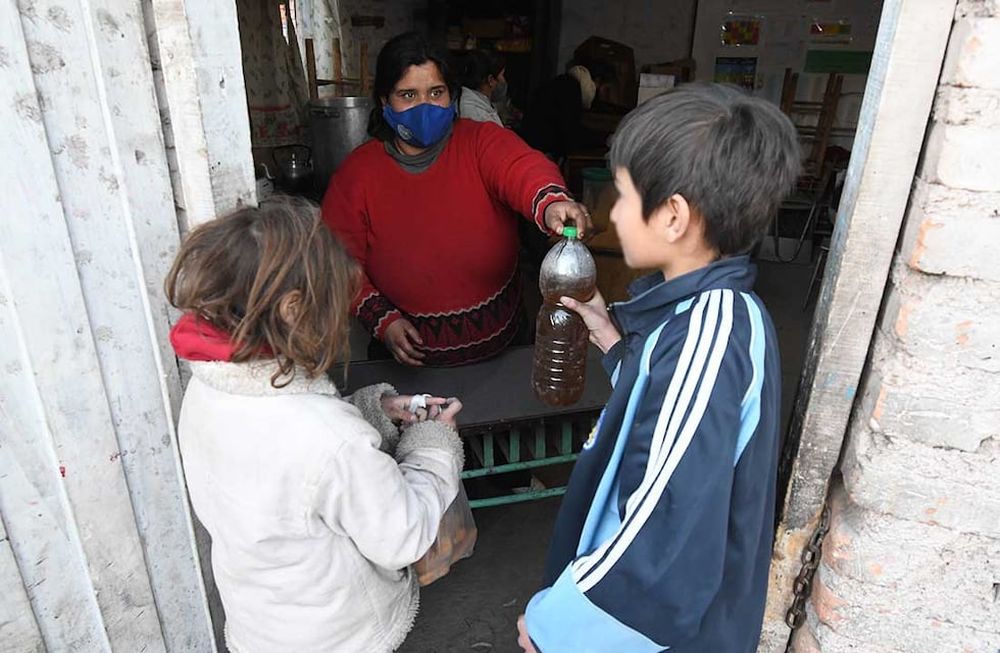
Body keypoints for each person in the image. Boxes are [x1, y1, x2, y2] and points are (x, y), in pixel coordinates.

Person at [517, 83, 801, 652]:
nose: (612, 214)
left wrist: (556, 626)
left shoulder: (710, 335)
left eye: (621, 196)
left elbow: (663, 530)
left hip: (654, 636)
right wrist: (609, 336)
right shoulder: (700, 313)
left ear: (673, 216)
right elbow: (664, 414)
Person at [165, 197, 465, 653]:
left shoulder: (208, 389)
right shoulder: (328, 438)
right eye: (332, 306)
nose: (338, 321)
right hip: (339, 638)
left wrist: (371, 411)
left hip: (261, 627)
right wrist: (433, 443)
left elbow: (287, 466)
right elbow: (402, 535)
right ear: (292, 310)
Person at [322, 32, 591, 367]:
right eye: (408, 95)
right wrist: (384, 321)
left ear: (452, 95)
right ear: (384, 101)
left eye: (436, 92)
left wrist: (552, 202)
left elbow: (522, 167)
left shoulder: (480, 142)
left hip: (501, 354)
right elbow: (339, 263)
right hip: (407, 370)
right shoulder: (357, 174)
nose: (425, 106)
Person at [517, 60, 614, 161]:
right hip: (537, 152)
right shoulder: (571, 90)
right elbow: (571, 133)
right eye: (606, 89)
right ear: (598, 81)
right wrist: (605, 139)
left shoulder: (566, 83)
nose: (605, 95)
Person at [458, 49, 506, 126]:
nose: (503, 80)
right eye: (502, 75)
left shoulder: (470, 100)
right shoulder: (480, 116)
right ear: (490, 80)